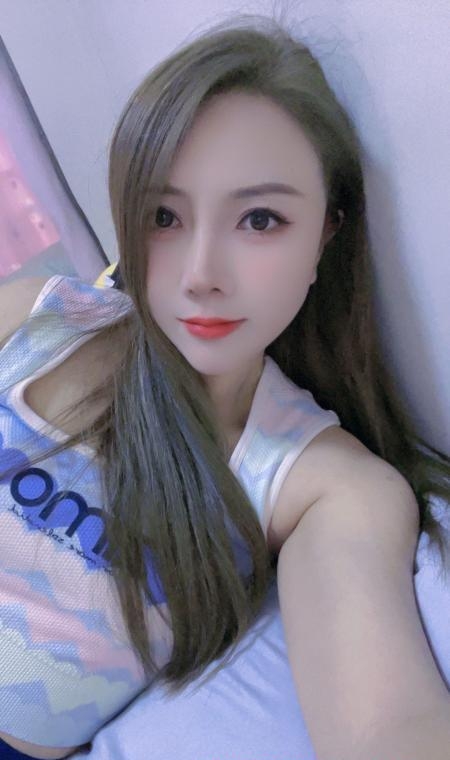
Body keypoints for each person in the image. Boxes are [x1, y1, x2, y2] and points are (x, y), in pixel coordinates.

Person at [0, 13, 449, 760]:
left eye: (260, 219)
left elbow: (388, 730)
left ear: (327, 231)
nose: (201, 273)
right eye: (165, 216)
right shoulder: (34, 322)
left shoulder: (316, 482)